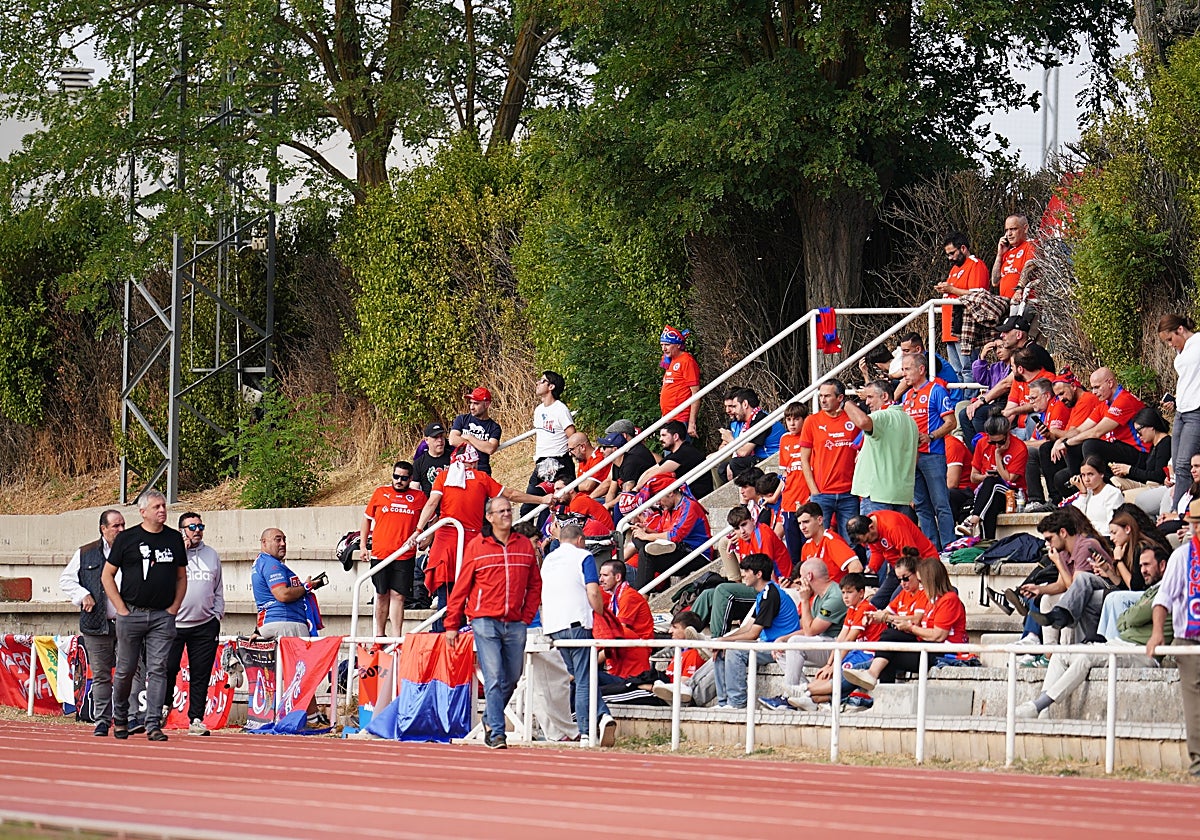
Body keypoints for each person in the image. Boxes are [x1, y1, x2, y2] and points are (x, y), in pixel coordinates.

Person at [1018, 543, 1171, 719]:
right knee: (1061, 654)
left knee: (1086, 657)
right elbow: (1123, 620)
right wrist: (1131, 616)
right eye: (1141, 565)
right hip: (1121, 645)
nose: (1143, 570)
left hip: (1142, 654)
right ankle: (1043, 713)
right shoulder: (1150, 590)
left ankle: (1037, 706)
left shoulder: (1168, 591)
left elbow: (1133, 617)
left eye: (1147, 565)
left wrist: (1132, 616)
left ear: (1162, 565)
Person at [411, 446, 551, 629]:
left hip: (446, 544)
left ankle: (444, 641)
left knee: (447, 597)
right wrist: (541, 499)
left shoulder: (444, 478)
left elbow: (431, 504)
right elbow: (511, 495)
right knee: (469, 593)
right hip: (470, 543)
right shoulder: (481, 478)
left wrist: (419, 530)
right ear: (474, 463)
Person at [444, 497, 542, 750]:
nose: (507, 515)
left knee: (512, 676)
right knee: (494, 675)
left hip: (516, 621)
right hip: (484, 620)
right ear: (489, 517)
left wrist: (526, 614)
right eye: (501, 511)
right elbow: (461, 587)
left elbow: (534, 583)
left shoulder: (523, 545)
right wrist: (452, 623)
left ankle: (490, 717)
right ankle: (497, 733)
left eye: (509, 510)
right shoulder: (478, 546)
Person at [101, 490, 187, 742]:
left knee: (158, 669)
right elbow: (107, 575)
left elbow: (182, 577)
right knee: (125, 670)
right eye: (156, 506)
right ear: (143, 512)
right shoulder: (127, 539)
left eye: (164, 506)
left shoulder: (173, 538)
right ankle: (121, 718)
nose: (162, 510)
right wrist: (121, 608)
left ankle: (153, 724)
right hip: (132, 613)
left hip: (162, 616)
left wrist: (174, 608)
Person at [539, 523, 615, 746]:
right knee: (584, 678)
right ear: (581, 540)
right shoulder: (584, 556)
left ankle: (604, 715)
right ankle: (586, 731)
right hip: (577, 622)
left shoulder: (548, 561)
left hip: (554, 625)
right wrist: (601, 611)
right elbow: (592, 590)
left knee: (581, 677)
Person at [844, 557, 968, 691]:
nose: (920, 586)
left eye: (921, 581)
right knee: (889, 640)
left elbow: (938, 635)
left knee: (888, 653)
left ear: (931, 580)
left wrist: (909, 627)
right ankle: (874, 682)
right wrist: (877, 617)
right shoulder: (934, 599)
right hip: (929, 646)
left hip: (944, 651)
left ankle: (876, 683)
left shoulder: (949, 600)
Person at [59, 508, 128, 736]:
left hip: (127, 623)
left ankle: (125, 717)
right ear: (103, 528)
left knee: (129, 673)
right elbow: (66, 580)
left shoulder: (132, 551)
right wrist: (82, 594)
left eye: (123, 525)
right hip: (96, 624)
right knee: (101, 674)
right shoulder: (86, 552)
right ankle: (101, 720)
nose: (121, 530)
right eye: (116, 526)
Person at [781, 572, 886, 712]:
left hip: (869, 653)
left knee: (842, 671)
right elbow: (841, 638)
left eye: (850, 592)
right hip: (858, 651)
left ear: (861, 593)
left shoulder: (865, 608)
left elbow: (849, 639)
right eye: (843, 592)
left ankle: (804, 691)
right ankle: (810, 698)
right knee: (827, 672)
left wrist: (834, 665)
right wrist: (829, 664)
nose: (845, 596)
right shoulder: (852, 609)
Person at [1148, 500, 1200, 776]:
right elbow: (1163, 600)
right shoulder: (1182, 557)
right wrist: (1157, 633)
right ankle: (1198, 762)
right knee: (1194, 704)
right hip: (1189, 639)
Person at [1005, 509, 1113, 641]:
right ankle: (1049, 653)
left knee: (1069, 597)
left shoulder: (1086, 546)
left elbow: (1074, 586)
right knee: (1047, 599)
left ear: (1063, 532)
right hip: (1082, 592)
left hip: (1106, 588)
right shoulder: (1063, 550)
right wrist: (1039, 589)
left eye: (1050, 539)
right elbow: (1061, 585)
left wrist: (1058, 562)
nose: (1048, 544)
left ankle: (1065, 646)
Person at [712, 554, 799, 709]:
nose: (742, 574)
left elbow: (753, 634)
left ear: (759, 574)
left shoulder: (771, 594)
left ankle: (737, 703)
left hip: (778, 648)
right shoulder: (763, 594)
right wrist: (722, 640)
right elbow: (747, 627)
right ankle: (723, 702)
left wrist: (725, 641)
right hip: (767, 644)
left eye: (746, 570)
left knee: (734, 650)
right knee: (720, 650)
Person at [165, 512, 224, 737]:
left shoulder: (211, 555)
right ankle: (163, 704)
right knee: (168, 667)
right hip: (175, 622)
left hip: (205, 623)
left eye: (200, 526)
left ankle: (196, 719)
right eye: (192, 526)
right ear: (181, 530)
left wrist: (217, 614)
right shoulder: (170, 552)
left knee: (201, 674)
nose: (197, 530)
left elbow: (218, 587)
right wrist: (180, 550)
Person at [360, 461, 427, 637]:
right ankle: (380, 635)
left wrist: (427, 539)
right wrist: (362, 546)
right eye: (396, 476)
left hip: (404, 555)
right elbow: (366, 519)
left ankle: (396, 637)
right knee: (381, 595)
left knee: (398, 596)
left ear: (410, 479)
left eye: (403, 478)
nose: (399, 481)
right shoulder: (380, 493)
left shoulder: (419, 497)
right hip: (380, 553)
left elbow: (432, 519)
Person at [898, 353, 958, 549]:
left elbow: (951, 422)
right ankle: (931, 547)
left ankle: (948, 545)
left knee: (940, 503)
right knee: (922, 505)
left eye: (907, 369)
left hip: (932, 455)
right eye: (903, 369)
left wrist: (931, 436)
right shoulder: (906, 396)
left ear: (921, 369)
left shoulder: (936, 391)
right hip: (911, 458)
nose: (904, 374)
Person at [772, 558, 847, 702]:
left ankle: (789, 696)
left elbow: (810, 632)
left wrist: (805, 600)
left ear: (809, 576)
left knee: (795, 643)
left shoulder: (835, 596)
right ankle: (804, 695)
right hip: (824, 643)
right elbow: (809, 628)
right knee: (780, 651)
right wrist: (783, 639)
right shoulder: (819, 595)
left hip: (838, 647)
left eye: (801, 576)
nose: (799, 581)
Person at [844, 380, 918, 516]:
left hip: (877, 494)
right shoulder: (911, 421)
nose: (867, 403)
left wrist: (846, 403)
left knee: (875, 537)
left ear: (884, 396)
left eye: (870, 397)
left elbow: (863, 422)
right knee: (895, 537)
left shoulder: (881, 416)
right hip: (901, 495)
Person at [1053, 367, 1146, 475]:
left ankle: (1100, 485)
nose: (1094, 392)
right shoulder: (1104, 403)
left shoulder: (1124, 400)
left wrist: (1067, 443)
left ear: (1110, 383)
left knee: (1090, 445)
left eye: (1097, 387)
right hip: (1120, 447)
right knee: (1062, 472)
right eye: (1092, 388)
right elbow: (1079, 430)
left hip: (1138, 452)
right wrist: (1061, 441)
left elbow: (1096, 432)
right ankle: (1082, 485)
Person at [800, 380, 860, 545]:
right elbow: (804, 459)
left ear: (840, 397)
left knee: (850, 542)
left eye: (827, 396)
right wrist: (814, 490)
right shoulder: (812, 421)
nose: (823, 400)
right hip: (822, 494)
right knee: (821, 542)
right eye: (821, 396)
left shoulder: (853, 419)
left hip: (849, 493)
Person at [628, 474, 711, 590]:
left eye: (659, 498)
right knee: (637, 538)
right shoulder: (668, 509)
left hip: (696, 554)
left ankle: (640, 595)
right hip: (677, 549)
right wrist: (647, 530)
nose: (658, 504)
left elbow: (675, 536)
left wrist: (647, 536)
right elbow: (660, 531)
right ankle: (642, 593)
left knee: (646, 553)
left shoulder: (690, 506)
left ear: (670, 492)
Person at [846, 510, 938, 609]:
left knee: (895, 602)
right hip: (899, 568)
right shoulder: (869, 529)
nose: (868, 543)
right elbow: (877, 551)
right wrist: (872, 568)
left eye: (868, 540)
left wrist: (902, 577)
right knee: (875, 603)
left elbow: (910, 555)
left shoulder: (893, 526)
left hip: (920, 565)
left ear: (871, 527)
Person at [1037, 370, 1103, 506]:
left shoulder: (1087, 399)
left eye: (1062, 393)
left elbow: (1075, 433)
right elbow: (1071, 432)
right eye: (1058, 396)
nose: (1061, 399)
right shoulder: (1074, 403)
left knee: (1060, 450)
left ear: (1073, 386)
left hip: (1090, 452)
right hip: (1079, 451)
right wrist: (1051, 435)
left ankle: (1073, 496)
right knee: (1047, 450)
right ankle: (1055, 500)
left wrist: (1058, 436)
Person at [957, 415, 1028, 539]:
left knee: (992, 483)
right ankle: (987, 542)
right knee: (990, 498)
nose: (996, 446)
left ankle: (973, 520)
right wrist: (985, 477)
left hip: (1013, 495)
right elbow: (973, 477)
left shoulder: (1019, 448)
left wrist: (998, 456)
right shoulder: (982, 443)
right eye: (992, 442)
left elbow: (1009, 479)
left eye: (1000, 442)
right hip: (989, 493)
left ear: (1007, 434)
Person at [934, 231, 991, 379]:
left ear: (963, 248)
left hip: (965, 326)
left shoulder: (975, 265)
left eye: (952, 253)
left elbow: (978, 296)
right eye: (947, 255)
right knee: (957, 372)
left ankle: (968, 401)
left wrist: (951, 289)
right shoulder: (954, 269)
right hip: (950, 328)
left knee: (968, 369)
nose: (950, 258)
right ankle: (960, 401)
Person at [1158, 315, 1200, 509]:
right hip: (1182, 409)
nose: (1170, 345)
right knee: (1177, 464)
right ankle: (1178, 505)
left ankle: (1179, 511)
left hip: (1195, 411)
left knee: (1184, 463)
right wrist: (1175, 400)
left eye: (1169, 339)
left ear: (1180, 330)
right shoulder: (1182, 351)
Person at [594, 558, 655, 690]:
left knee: (589, 678)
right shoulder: (615, 597)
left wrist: (590, 661)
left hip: (635, 652)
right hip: (624, 652)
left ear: (617, 577)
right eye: (600, 575)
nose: (601, 580)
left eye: (605, 575)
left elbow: (619, 634)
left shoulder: (628, 596)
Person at [523, 371, 576, 519]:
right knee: (527, 508)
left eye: (542, 381)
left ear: (551, 386)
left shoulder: (561, 409)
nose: (538, 383)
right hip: (541, 463)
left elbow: (572, 435)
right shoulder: (538, 410)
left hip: (559, 462)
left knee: (556, 506)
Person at [1023, 377, 1070, 508]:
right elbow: (1033, 441)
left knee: (1040, 449)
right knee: (1028, 451)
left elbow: (1050, 439)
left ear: (1047, 395)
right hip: (1051, 452)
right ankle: (1034, 499)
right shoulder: (1042, 414)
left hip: (1064, 452)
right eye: (1029, 399)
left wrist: (1021, 444)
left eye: (1033, 398)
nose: (1031, 402)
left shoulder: (1058, 406)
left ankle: (1049, 498)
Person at [720, 387, 785, 480]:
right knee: (722, 468)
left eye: (735, 406)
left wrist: (730, 439)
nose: (732, 411)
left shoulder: (761, 419)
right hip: (759, 457)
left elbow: (744, 452)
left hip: (772, 457)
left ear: (745, 404)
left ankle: (750, 491)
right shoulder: (748, 420)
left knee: (736, 464)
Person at [638, 420, 713, 500]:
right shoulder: (676, 453)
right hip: (687, 495)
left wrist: (636, 490)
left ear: (675, 436)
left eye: (664, 435)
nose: (660, 439)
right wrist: (637, 488)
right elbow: (648, 472)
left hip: (697, 496)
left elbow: (655, 473)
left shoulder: (685, 452)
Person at [1111, 407, 1172, 499]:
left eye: (1139, 431)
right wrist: (1125, 472)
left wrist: (1130, 470)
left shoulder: (1165, 443)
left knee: (1123, 496)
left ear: (1151, 426)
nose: (1138, 435)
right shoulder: (1154, 445)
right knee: (1114, 481)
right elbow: (1146, 473)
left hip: (1157, 487)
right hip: (1147, 485)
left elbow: (1159, 476)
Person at [796, 501, 862, 583]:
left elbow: (856, 567)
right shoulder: (806, 547)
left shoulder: (831, 541)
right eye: (799, 523)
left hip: (834, 592)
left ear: (820, 520)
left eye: (806, 522)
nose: (802, 527)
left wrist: (845, 591)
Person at [727, 505, 792, 580]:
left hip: (781, 582)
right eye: (737, 528)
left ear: (752, 520)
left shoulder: (763, 535)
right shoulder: (743, 537)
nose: (742, 531)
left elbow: (768, 573)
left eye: (744, 524)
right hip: (758, 582)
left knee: (722, 588)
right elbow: (746, 569)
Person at [659, 324, 701, 438]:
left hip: (681, 419)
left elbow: (696, 393)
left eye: (667, 345)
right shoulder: (670, 361)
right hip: (669, 418)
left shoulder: (686, 361)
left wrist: (692, 423)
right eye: (662, 345)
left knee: (678, 454)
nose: (664, 348)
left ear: (678, 345)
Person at [449, 386, 502, 474]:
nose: (472, 407)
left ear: (487, 404)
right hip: (460, 468)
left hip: (482, 470)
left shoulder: (494, 427)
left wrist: (470, 437)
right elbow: (453, 440)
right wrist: (480, 445)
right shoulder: (462, 419)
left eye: (476, 403)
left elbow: (490, 448)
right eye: (471, 403)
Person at [1068, 455, 1124, 534]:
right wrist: (1083, 494)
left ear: (1101, 474)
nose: (1086, 479)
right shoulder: (1086, 493)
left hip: (1104, 538)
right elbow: (1074, 518)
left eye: (1090, 474)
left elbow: (1113, 525)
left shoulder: (1112, 493)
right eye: (1083, 475)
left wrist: (1089, 530)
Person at [991, 213, 1038, 302]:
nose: (1009, 234)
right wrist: (999, 255)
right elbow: (995, 282)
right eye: (1007, 230)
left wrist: (1019, 289)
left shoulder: (1032, 245)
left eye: (1013, 229)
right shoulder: (1007, 252)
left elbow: (1030, 266)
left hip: (1024, 301)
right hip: (1005, 302)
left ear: (1025, 228)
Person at [567, 432, 612, 500]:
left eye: (572, 449)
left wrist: (568, 487)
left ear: (582, 447)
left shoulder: (599, 458)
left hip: (597, 499)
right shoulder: (582, 459)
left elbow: (588, 486)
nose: (570, 454)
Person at [413, 422, 451, 495]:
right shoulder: (419, 463)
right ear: (426, 440)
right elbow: (414, 488)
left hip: (450, 502)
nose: (440, 440)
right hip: (429, 502)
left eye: (442, 436)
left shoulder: (454, 458)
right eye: (435, 437)